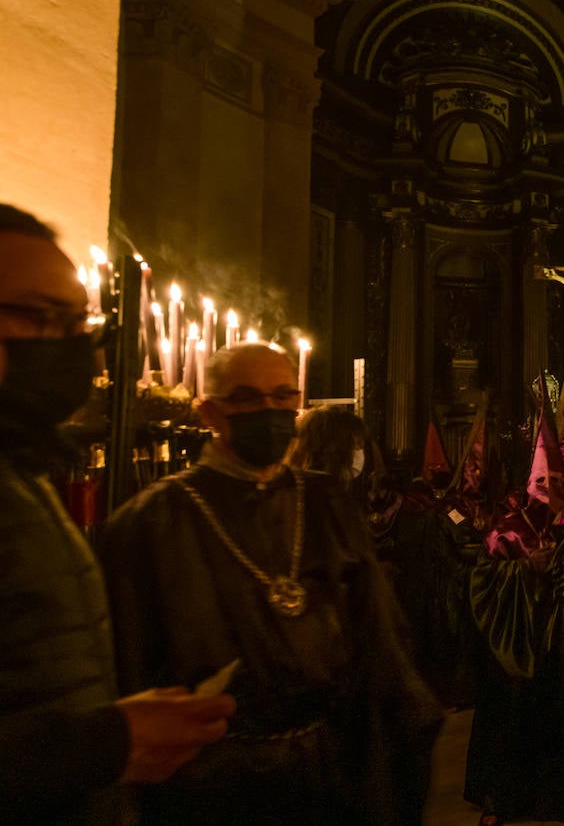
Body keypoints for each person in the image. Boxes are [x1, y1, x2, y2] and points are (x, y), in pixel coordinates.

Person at [99, 341, 443, 825]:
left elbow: (379, 639)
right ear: (210, 413)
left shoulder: (325, 500)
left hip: (326, 773)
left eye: (284, 397)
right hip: (208, 785)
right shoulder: (154, 520)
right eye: (249, 398)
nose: (271, 411)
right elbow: (131, 666)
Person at [0, 204, 236, 824]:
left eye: (77, 321)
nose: (75, 344)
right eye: (38, 317)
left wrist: (115, 727)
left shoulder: (21, 472)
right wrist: (110, 742)